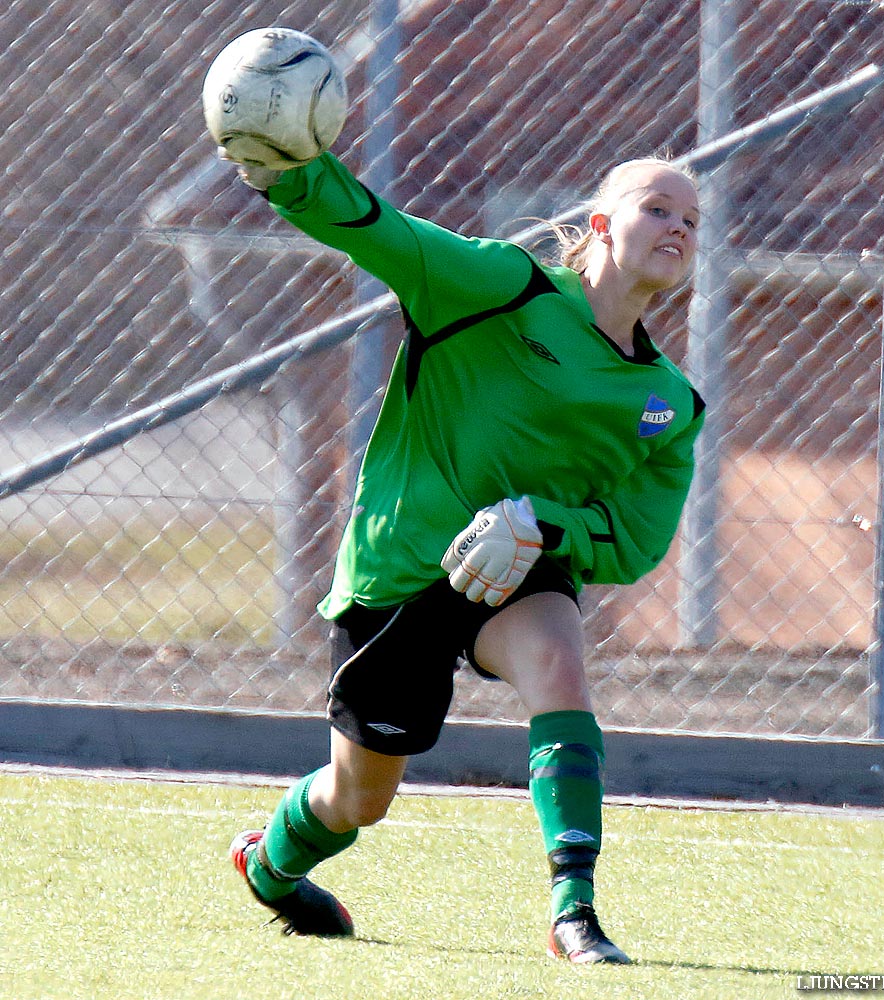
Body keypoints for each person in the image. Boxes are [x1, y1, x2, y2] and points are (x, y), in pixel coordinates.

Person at [223, 146, 705, 964]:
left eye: (691, 220)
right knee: (356, 801)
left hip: (520, 573)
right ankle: (270, 865)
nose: (678, 227)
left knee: (558, 660)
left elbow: (633, 540)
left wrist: (542, 525)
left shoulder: (669, 403)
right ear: (599, 224)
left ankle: (573, 911)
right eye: (657, 207)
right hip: (403, 568)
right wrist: (288, 168)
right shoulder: (500, 287)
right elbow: (383, 233)